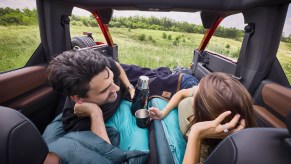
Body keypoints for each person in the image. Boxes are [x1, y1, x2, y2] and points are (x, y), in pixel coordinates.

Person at [149, 72, 257, 163]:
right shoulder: (200, 96)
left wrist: (196, 134)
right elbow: (182, 93)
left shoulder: (205, 148)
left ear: (204, 111)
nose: (195, 89)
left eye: (197, 91)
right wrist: (163, 112)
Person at [47, 48, 135, 144]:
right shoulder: (77, 125)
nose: (116, 88)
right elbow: (106, 151)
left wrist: (129, 87)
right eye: (104, 90)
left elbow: (117, 66)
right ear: (78, 98)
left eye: (112, 78)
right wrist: (95, 113)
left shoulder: (102, 67)